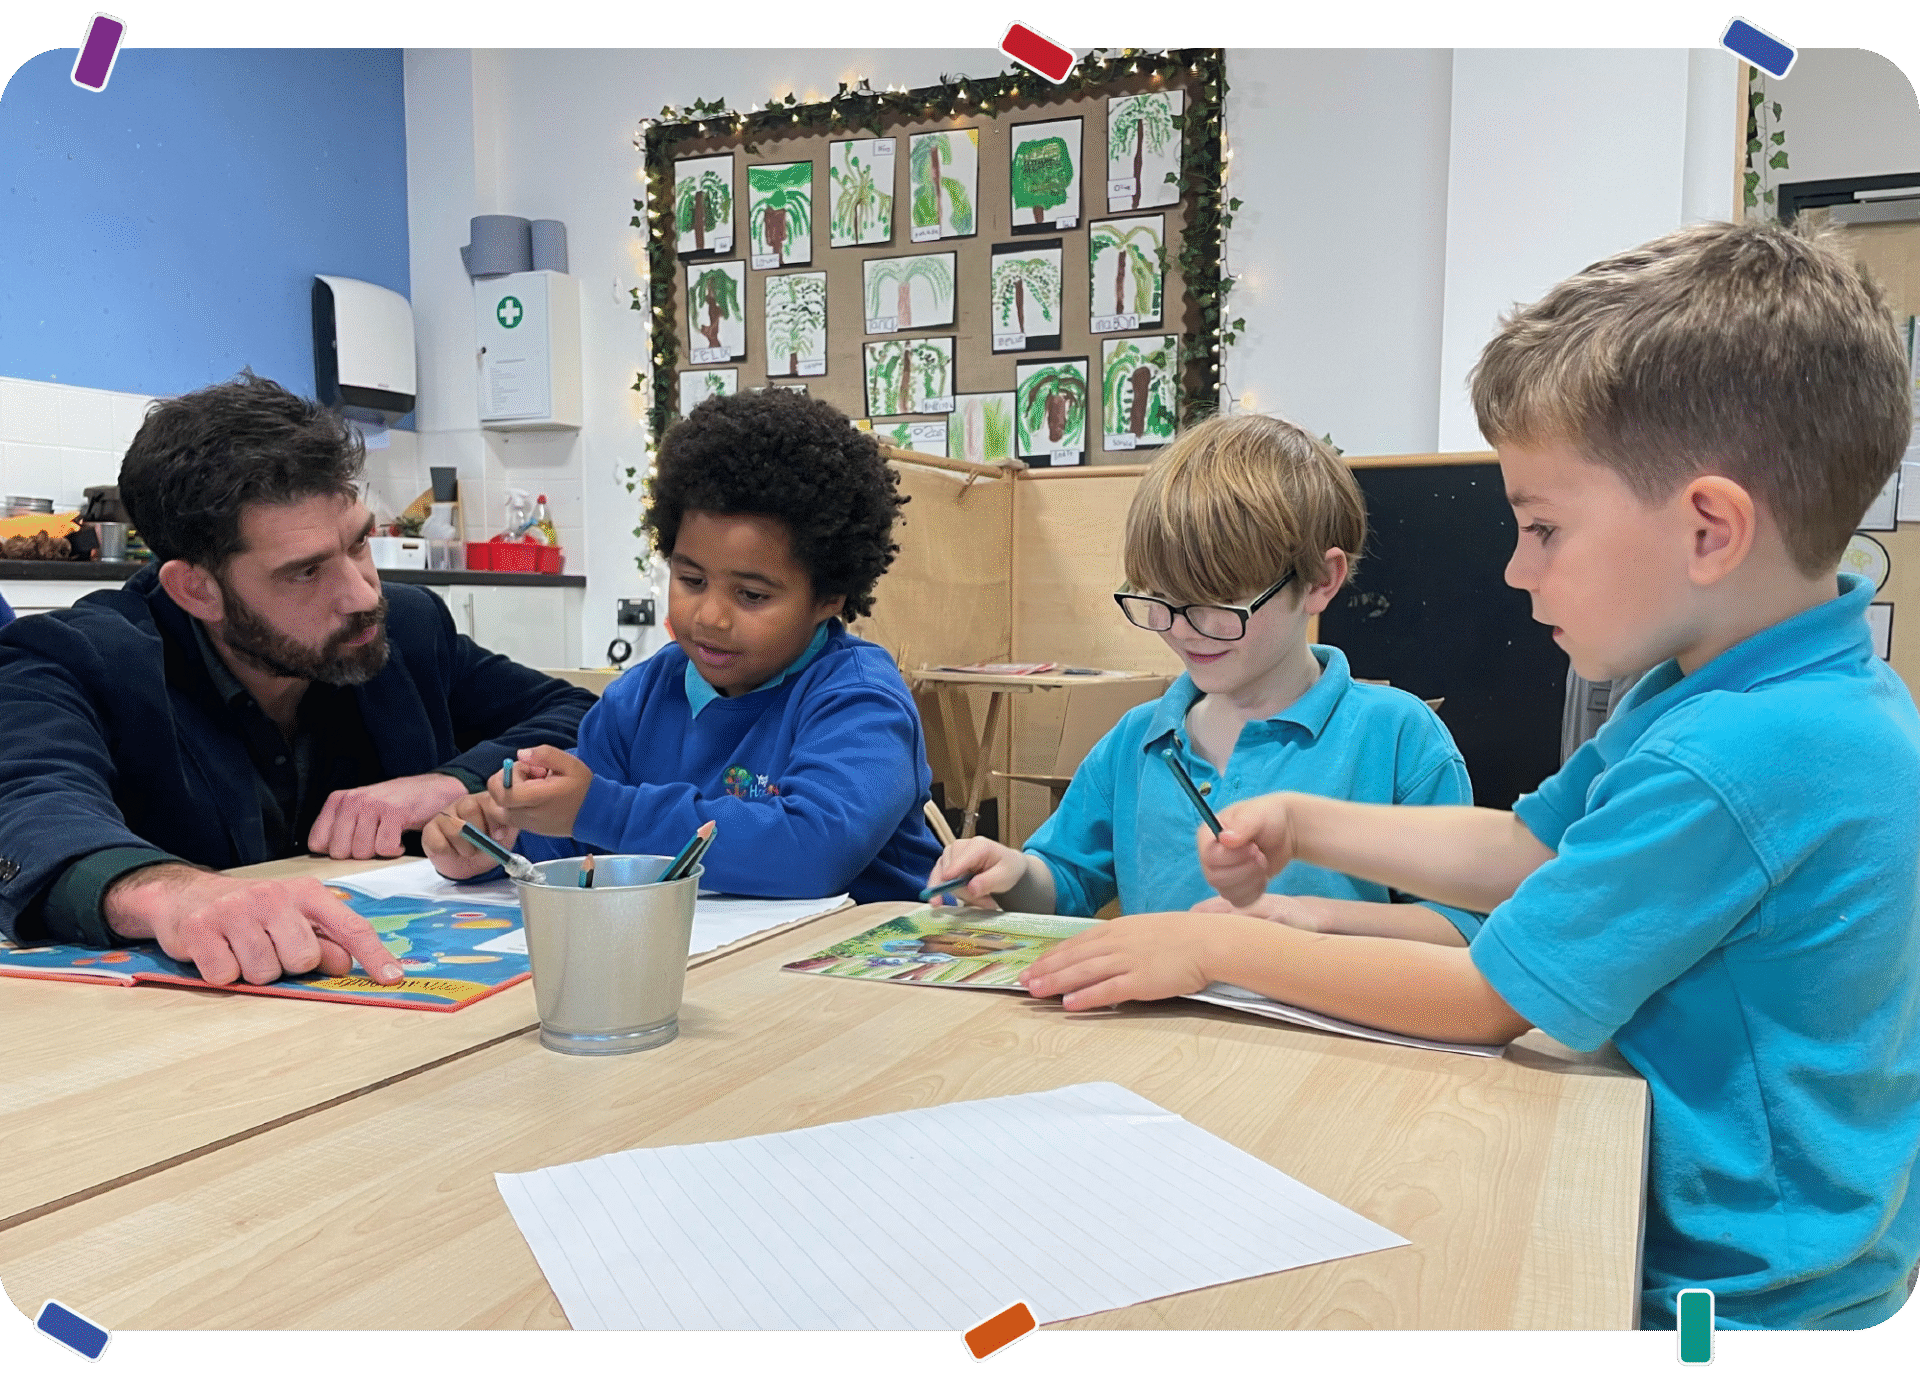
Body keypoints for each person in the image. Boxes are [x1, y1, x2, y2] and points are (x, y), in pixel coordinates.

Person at [1022, 221, 1920, 1331]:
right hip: (1768, 1240)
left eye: (1542, 527)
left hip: (1728, 1303)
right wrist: (1305, 820)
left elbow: (1488, 997)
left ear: (1708, 530)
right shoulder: (1750, 689)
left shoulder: (1738, 752)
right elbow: (1527, 849)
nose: (1514, 567)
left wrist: (1214, 941)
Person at [0, 374, 596, 986]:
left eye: (359, 543)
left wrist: (454, 782)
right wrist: (173, 895)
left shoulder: (407, 629)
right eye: (307, 571)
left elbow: (582, 717)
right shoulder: (73, 659)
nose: (363, 595)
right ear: (196, 589)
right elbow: (30, 809)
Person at [926, 412, 1479, 942]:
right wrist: (1012, 875)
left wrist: (1309, 922)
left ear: (1319, 581)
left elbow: (1461, 932)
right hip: (1171, 1035)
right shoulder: (1137, 741)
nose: (1185, 631)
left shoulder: (1399, 737)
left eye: (1219, 602)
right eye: (1162, 599)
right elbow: (1067, 883)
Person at [424, 389, 942, 902]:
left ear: (829, 595)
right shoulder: (641, 698)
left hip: (857, 970)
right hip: (710, 963)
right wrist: (497, 840)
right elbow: (575, 836)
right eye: (691, 580)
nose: (710, 617)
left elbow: (811, 852)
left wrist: (606, 811)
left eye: (752, 595)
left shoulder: (860, 701)